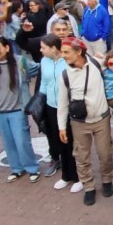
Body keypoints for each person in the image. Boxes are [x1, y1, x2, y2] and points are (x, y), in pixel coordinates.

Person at [0, 37, 42, 184]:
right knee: (8, 142)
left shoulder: (20, 61)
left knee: (22, 141)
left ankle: (32, 168)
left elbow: (38, 68)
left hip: (18, 110)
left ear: (7, 48)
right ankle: (16, 169)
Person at [57, 37, 113, 206]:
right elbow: (62, 104)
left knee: (105, 154)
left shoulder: (97, 63)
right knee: (82, 156)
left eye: (66, 52)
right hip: (79, 122)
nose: (63, 55)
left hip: (101, 119)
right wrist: (62, 127)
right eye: (62, 52)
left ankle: (107, 180)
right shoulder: (65, 75)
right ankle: (89, 187)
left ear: (79, 51)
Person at [39, 34, 77, 189]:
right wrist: (40, 100)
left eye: (43, 48)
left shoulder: (68, 61)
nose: (40, 50)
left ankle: (78, 177)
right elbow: (44, 81)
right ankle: (66, 175)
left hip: (68, 107)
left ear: (53, 48)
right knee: (59, 141)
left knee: (72, 143)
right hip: (51, 106)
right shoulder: (44, 61)